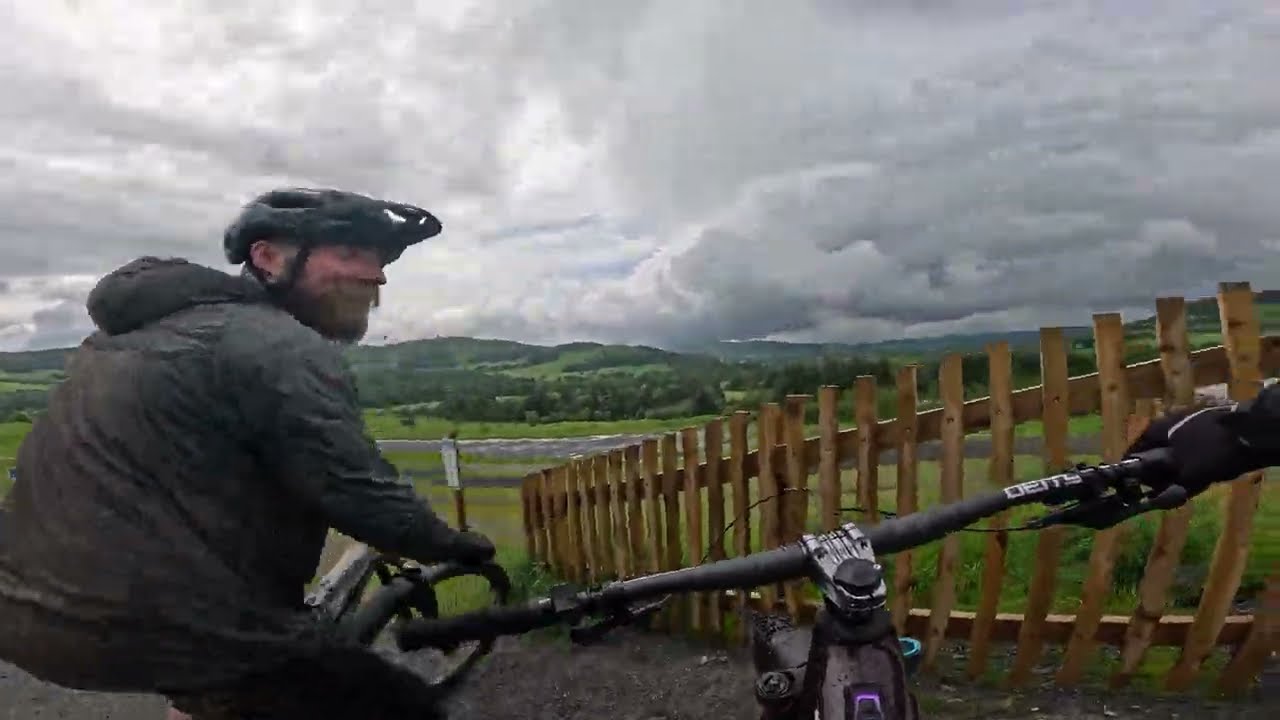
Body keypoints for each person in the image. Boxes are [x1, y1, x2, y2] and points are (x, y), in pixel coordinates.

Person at [0, 188, 496, 719]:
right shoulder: (276, 344)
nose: (376, 276)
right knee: (402, 710)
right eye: (351, 253)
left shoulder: (127, 338)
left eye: (379, 260)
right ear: (268, 258)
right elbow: (356, 489)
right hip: (162, 626)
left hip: (30, 614)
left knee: (225, 696)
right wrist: (459, 545)